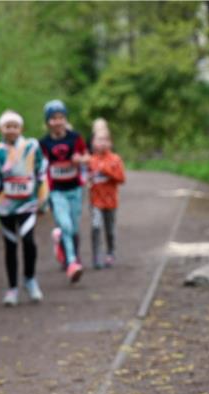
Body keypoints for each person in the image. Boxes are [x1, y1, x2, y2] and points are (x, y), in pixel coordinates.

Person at [0, 110, 48, 306]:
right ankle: (12, 288)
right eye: (7, 126)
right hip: (5, 206)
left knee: (28, 241)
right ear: (0, 129)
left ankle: (30, 279)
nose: (11, 129)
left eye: (15, 126)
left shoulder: (32, 147)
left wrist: (44, 200)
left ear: (21, 128)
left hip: (27, 204)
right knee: (10, 246)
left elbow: (41, 173)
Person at [39, 99, 88, 283]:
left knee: (73, 227)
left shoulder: (75, 138)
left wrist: (79, 159)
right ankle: (72, 263)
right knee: (66, 225)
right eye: (53, 118)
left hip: (75, 188)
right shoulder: (43, 143)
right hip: (56, 190)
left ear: (65, 119)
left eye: (61, 117)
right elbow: (40, 167)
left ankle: (67, 250)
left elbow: (87, 156)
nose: (57, 121)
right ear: (47, 122)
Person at [88, 130, 126, 269]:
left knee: (109, 230)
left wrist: (107, 171)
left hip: (111, 202)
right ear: (93, 143)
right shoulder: (91, 160)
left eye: (105, 140)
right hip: (95, 201)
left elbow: (122, 179)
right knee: (95, 226)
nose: (102, 143)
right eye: (99, 140)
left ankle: (110, 252)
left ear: (110, 143)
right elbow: (85, 178)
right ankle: (96, 256)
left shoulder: (115, 159)